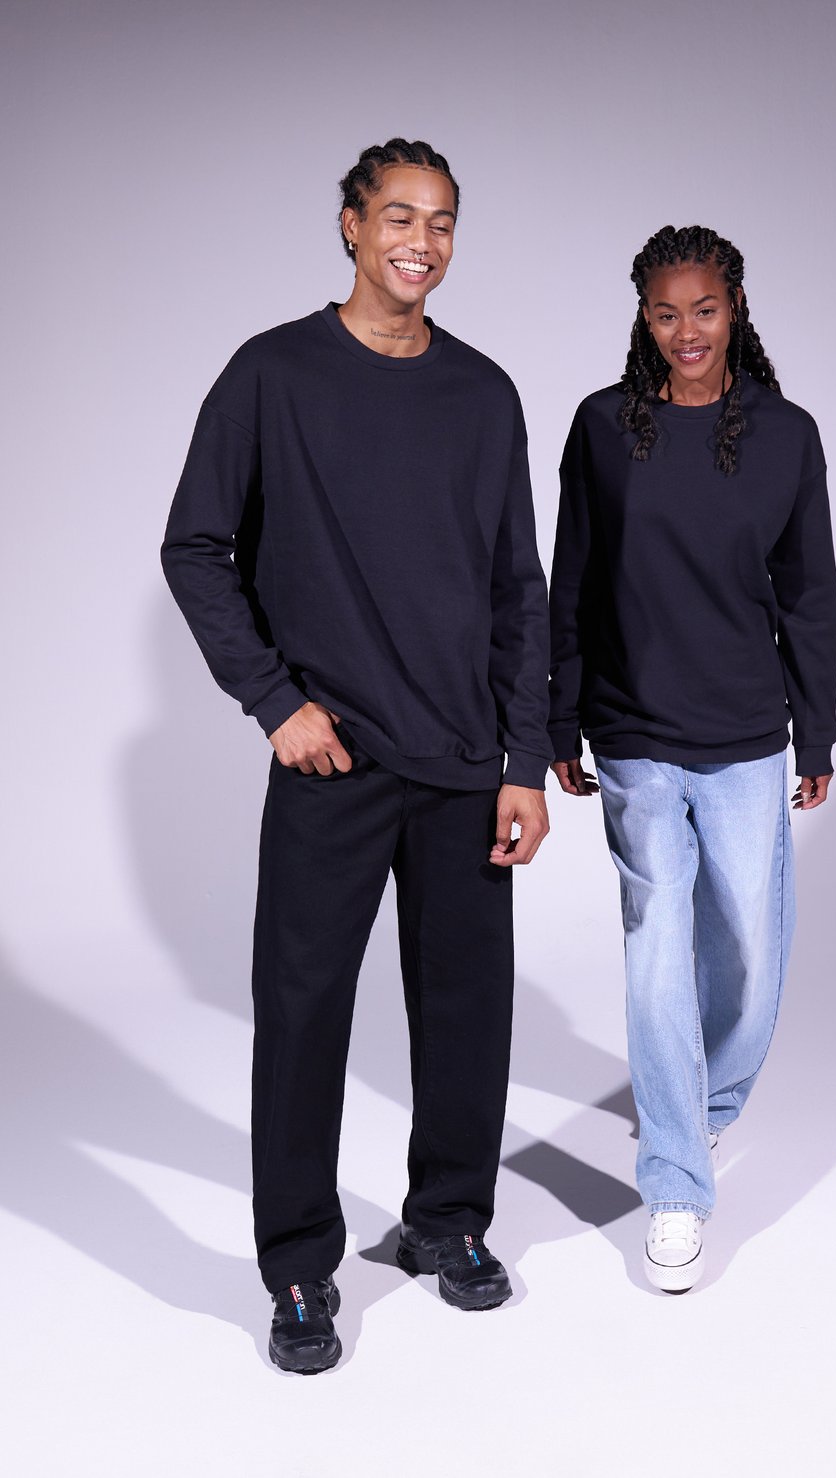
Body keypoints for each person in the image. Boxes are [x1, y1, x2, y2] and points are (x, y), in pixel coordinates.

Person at [162, 138, 551, 1372]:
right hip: (328, 765)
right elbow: (195, 545)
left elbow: (518, 588)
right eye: (397, 216)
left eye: (441, 221)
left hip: (463, 758)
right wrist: (274, 699)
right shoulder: (272, 373)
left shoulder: (483, 393)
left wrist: (525, 758)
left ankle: (449, 1222)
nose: (420, 242)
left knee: (467, 1012)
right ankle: (297, 1266)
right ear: (349, 225)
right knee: (302, 1014)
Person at [547, 224, 836, 1292]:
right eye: (666, 312)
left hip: (745, 733)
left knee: (748, 950)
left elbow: (808, 592)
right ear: (644, 315)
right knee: (657, 946)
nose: (686, 331)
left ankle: (706, 1100)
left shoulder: (786, 435)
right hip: (632, 731)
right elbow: (572, 577)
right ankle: (675, 1180)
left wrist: (816, 727)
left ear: (735, 308)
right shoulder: (600, 427)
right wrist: (559, 715)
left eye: (704, 310)